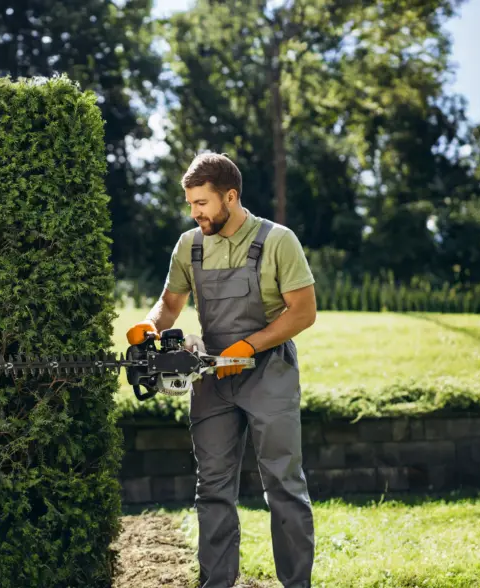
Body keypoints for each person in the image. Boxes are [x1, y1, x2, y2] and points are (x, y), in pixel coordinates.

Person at [126, 152, 317, 587]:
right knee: (212, 489)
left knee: (284, 487)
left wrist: (248, 346)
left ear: (230, 197)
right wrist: (150, 325)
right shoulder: (189, 244)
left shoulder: (276, 241)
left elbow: (303, 312)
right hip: (211, 375)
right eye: (191, 204)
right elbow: (170, 304)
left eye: (202, 203)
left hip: (268, 372)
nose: (195, 213)